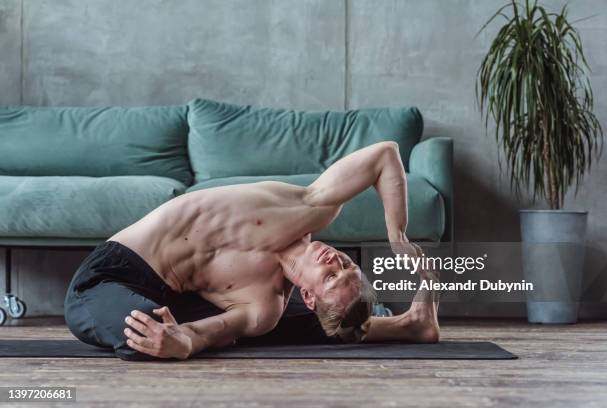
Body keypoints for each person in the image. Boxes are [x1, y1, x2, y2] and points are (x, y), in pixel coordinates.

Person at [64, 141, 440, 361]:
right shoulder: (309, 207)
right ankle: (395, 323)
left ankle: (411, 324)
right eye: (346, 266)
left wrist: (184, 343)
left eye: (330, 276)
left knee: (166, 332)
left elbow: (206, 333)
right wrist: (398, 235)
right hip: (112, 275)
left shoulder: (265, 306)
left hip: (177, 299)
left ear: (308, 294)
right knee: (149, 325)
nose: (335, 261)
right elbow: (384, 155)